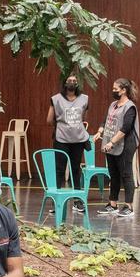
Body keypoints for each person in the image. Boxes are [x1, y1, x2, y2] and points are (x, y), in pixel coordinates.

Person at [91, 78, 140, 219]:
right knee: (114, 174)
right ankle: (112, 204)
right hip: (110, 143)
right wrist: (99, 132)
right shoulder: (113, 105)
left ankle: (129, 206)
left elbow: (126, 128)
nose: (113, 91)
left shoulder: (130, 107)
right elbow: (105, 120)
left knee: (126, 174)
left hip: (125, 144)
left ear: (124, 90)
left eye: (115, 89)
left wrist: (112, 142)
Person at [46, 74, 89, 213]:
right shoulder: (56, 99)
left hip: (79, 140)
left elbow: (83, 117)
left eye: (75, 81)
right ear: (64, 83)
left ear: (78, 83)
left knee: (76, 170)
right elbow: (49, 120)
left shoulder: (85, 99)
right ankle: (56, 201)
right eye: (69, 80)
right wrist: (61, 126)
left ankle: (77, 200)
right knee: (60, 170)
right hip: (61, 139)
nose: (72, 83)